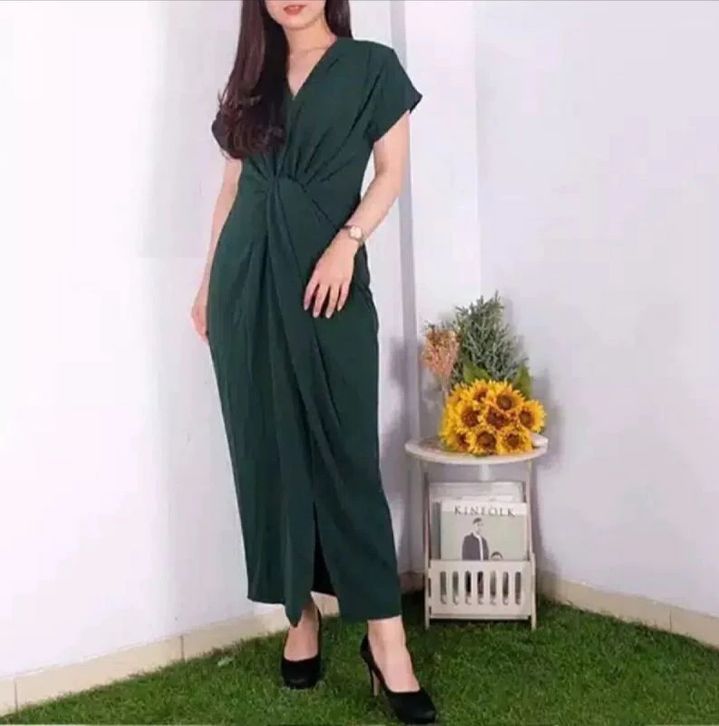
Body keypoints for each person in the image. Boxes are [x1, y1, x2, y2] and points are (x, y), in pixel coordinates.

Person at [190, 1, 435, 723]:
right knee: (268, 452)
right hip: (248, 283)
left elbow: (390, 172)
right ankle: (299, 615)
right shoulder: (252, 76)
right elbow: (232, 189)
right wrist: (207, 285)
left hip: (328, 282)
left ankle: (387, 643)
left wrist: (347, 243)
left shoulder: (371, 68)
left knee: (346, 459)